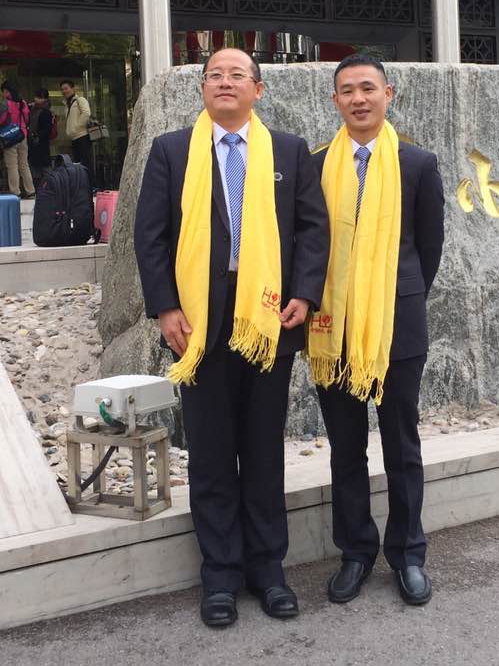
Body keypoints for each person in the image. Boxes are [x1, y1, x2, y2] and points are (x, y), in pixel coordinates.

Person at [133, 48, 329, 629]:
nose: (225, 82)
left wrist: (305, 294)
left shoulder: (289, 151)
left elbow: (312, 230)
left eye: (236, 75)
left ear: (257, 89)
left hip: (268, 320)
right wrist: (165, 307)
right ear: (202, 89)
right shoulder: (172, 151)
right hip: (199, 323)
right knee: (213, 453)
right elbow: (151, 235)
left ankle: (268, 571)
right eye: (214, 75)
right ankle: (219, 575)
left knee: (263, 451)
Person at [309, 53, 445, 608]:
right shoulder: (316, 164)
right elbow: (307, 244)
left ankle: (408, 554)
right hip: (334, 326)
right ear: (335, 100)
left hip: (397, 325)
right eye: (347, 90)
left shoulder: (418, 163)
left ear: (389, 94)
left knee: (401, 444)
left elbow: (429, 248)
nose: (358, 99)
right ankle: (356, 552)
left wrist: (391, 299)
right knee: (346, 448)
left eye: (368, 88)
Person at [0, 81, 35, 199]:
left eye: (3, 91)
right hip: (22, 135)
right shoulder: (23, 103)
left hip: (10, 137)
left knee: (12, 165)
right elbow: (27, 119)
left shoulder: (5, 104)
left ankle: (15, 192)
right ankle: (31, 191)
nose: (3, 94)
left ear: (7, 91)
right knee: (24, 165)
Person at [61, 79, 94, 191]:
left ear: (73, 88)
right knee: (78, 164)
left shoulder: (80, 100)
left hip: (82, 136)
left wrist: (76, 127)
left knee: (86, 163)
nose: (64, 91)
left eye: (66, 88)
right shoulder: (67, 104)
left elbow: (86, 113)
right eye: (62, 89)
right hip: (74, 138)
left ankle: (91, 186)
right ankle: (82, 188)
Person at [27, 88, 55, 186]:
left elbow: (47, 130)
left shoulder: (46, 112)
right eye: (36, 96)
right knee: (35, 168)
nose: (36, 99)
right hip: (33, 144)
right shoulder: (32, 109)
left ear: (45, 99)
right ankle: (38, 187)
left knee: (44, 168)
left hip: (41, 144)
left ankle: (49, 187)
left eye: (40, 97)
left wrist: (36, 135)